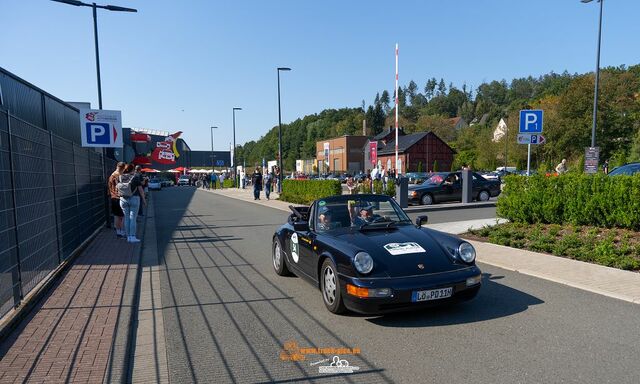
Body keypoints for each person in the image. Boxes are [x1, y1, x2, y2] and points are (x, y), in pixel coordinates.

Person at [118, 163, 146, 243]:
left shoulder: (120, 177)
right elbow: (140, 190)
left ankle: (127, 237)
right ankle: (132, 237)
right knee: (133, 218)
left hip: (123, 199)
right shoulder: (135, 177)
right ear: (132, 170)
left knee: (126, 218)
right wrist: (144, 200)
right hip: (134, 198)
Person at [108, 162, 126, 238]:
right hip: (119, 197)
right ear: (122, 168)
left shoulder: (111, 176)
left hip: (113, 197)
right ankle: (122, 231)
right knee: (122, 216)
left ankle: (118, 232)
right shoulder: (119, 176)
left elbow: (109, 187)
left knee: (116, 216)